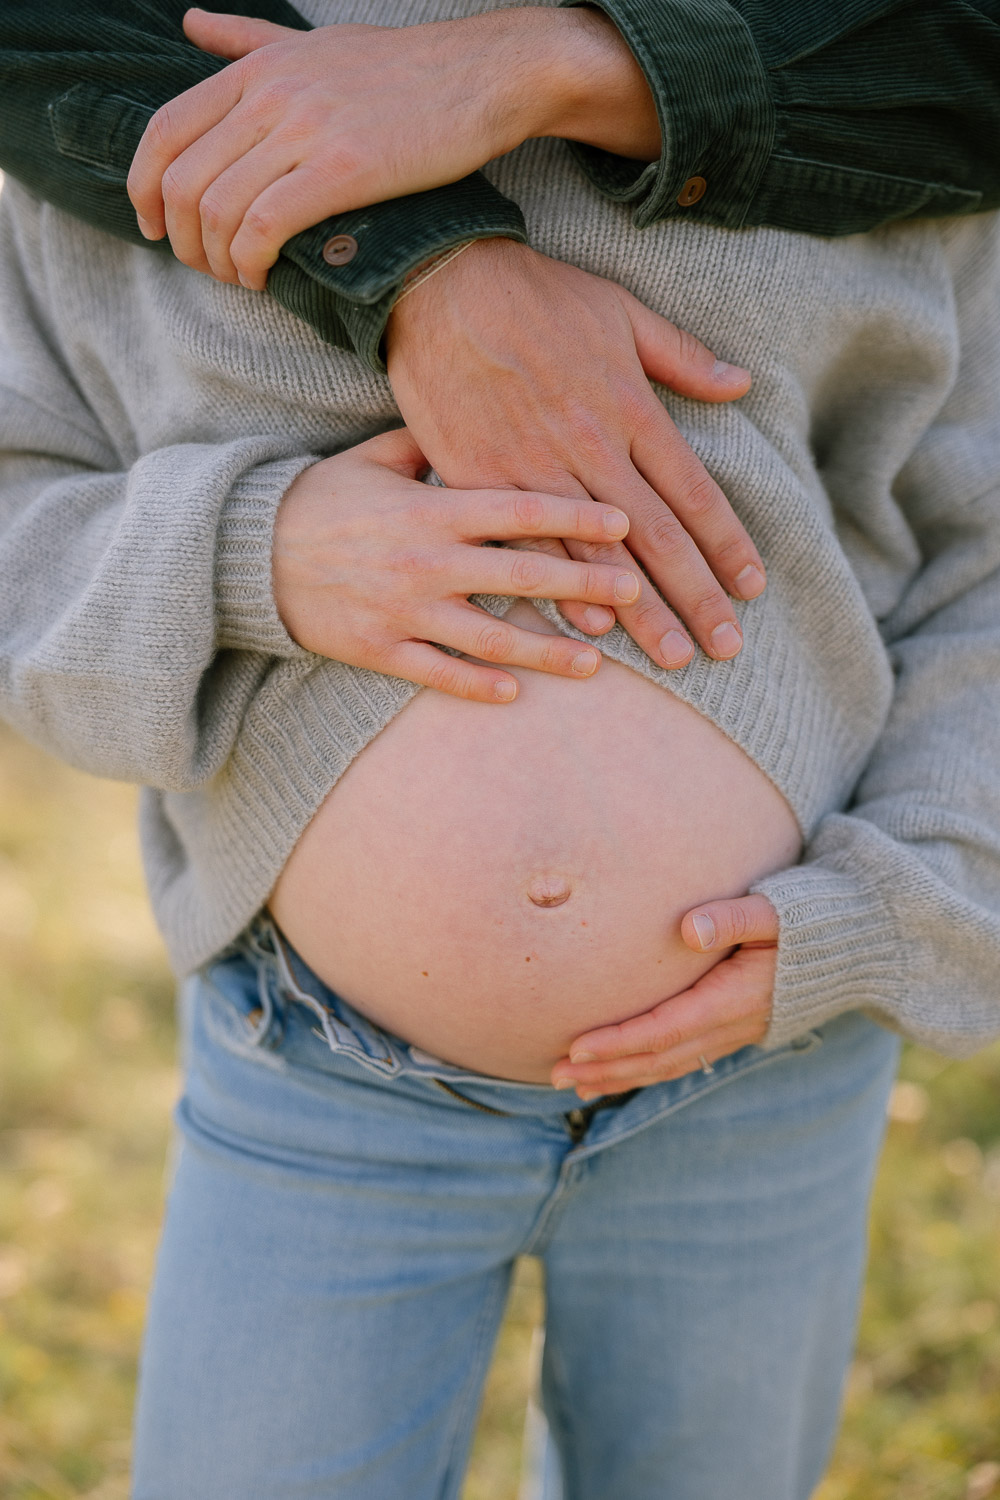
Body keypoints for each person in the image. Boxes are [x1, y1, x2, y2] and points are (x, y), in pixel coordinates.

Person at [2, 3, 1000, 1497]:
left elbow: (980, 560)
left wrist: (893, 908)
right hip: (325, 1074)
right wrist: (251, 556)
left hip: (771, 1072)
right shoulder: (113, 62)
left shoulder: (877, 66)